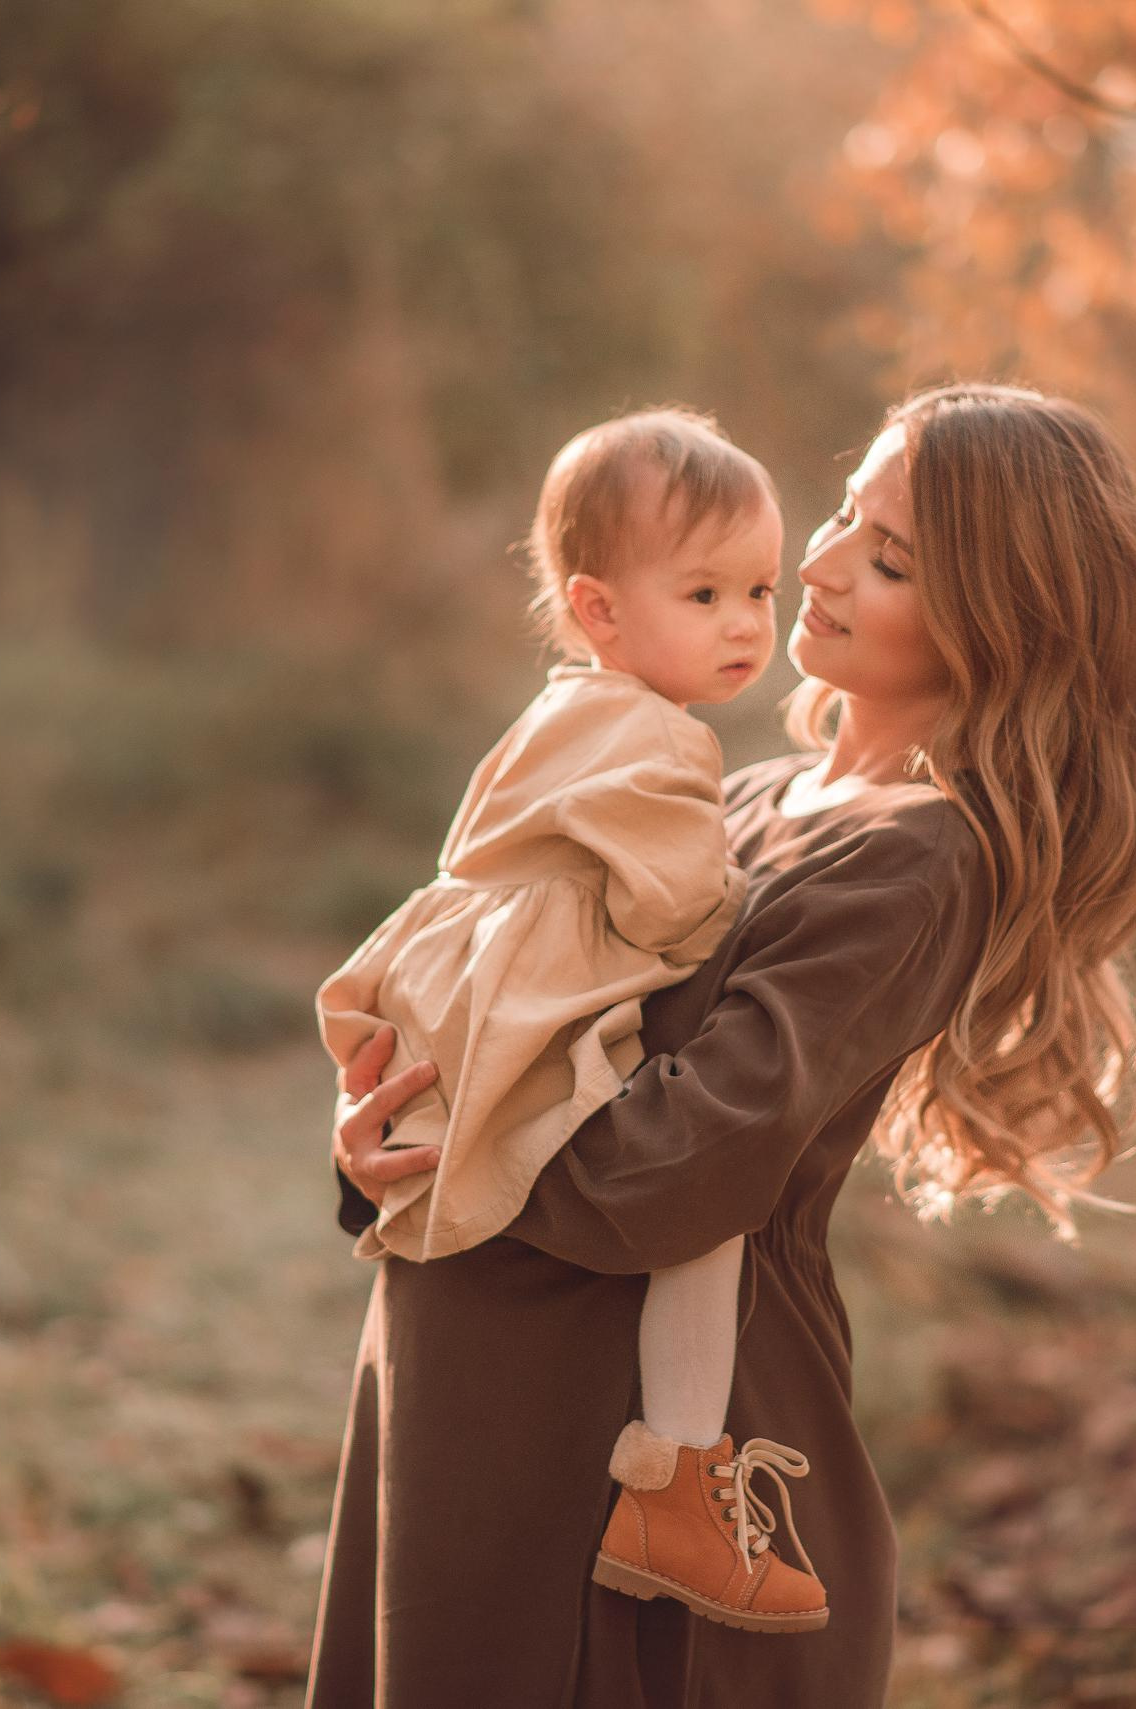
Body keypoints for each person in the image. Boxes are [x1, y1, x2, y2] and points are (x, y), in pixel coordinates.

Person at [307, 382, 1136, 1709]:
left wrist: (466, 1135)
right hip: (480, 1360)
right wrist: (387, 1127)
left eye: (888, 561)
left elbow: (681, 1164)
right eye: (843, 515)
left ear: (995, 620)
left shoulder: (920, 860)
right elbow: (505, 977)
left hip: (630, 1428)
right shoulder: (745, 790)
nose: (818, 566)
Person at [314, 406, 835, 1632]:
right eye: (702, 592)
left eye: (758, 587)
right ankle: (679, 1473)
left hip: (462, 990)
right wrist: (743, 905)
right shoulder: (663, 738)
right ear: (600, 609)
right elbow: (676, 905)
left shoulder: (558, 711)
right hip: (533, 1009)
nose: (747, 622)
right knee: (709, 1217)